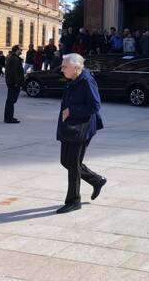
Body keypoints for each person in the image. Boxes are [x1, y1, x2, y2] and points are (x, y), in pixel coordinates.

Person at [56, 53, 106, 214]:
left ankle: (73, 201)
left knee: (73, 165)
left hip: (82, 128)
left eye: (65, 66)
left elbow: (95, 106)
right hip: (70, 127)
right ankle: (97, 180)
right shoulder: (74, 78)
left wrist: (72, 111)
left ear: (76, 68)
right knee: (66, 161)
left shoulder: (86, 81)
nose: (62, 69)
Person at [4, 45, 24, 124]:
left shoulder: (12, 58)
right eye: (20, 50)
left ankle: (8, 117)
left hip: (11, 82)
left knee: (10, 101)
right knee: (11, 101)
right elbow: (14, 72)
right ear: (16, 50)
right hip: (14, 83)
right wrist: (16, 82)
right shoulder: (15, 59)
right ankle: (9, 118)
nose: (21, 51)